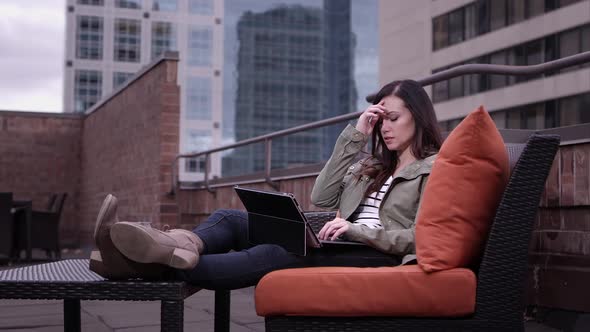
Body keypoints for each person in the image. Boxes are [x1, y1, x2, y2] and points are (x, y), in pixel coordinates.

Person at [90, 79, 443, 289]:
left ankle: (143, 262)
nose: (385, 127)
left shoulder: (435, 169)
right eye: (381, 121)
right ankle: (163, 245)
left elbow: (420, 237)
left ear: (419, 116)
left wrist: (356, 231)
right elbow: (322, 196)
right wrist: (356, 135)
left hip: (372, 255)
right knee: (230, 219)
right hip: (338, 241)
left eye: (393, 118)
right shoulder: (372, 166)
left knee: (275, 254)